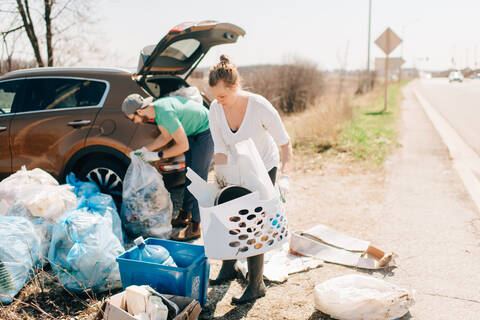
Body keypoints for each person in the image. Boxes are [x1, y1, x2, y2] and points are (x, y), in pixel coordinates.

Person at [207, 55, 293, 304]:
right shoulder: (215, 108)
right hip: (236, 168)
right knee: (228, 214)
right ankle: (228, 267)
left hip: (264, 166)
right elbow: (220, 148)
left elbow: (285, 144)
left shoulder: (259, 106)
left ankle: (256, 285)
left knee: (253, 222)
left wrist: (285, 177)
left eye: (222, 96)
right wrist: (219, 182)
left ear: (235, 87)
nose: (218, 101)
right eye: (215, 96)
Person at [122, 93, 213, 241]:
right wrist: (145, 150)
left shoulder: (164, 113)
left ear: (139, 111)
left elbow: (182, 146)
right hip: (193, 131)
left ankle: (196, 226)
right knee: (189, 174)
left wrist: (158, 156)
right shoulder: (158, 112)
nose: (135, 122)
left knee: (198, 179)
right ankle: (185, 215)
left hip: (206, 130)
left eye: (132, 119)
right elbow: (165, 137)